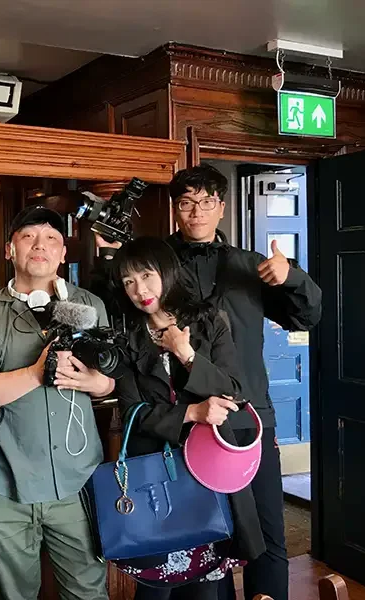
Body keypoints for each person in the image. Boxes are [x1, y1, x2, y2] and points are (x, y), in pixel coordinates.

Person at [95, 165, 322, 600]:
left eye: (206, 201)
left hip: (248, 416)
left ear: (221, 207)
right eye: (186, 202)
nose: (196, 211)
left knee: (264, 534)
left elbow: (307, 316)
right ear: (175, 209)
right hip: (183, 426)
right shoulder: (156, 264)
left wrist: (290, 275)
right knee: (200, 534)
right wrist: (108, 257)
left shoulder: (250, 266)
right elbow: (116, 305)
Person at [0, 204, 112, 600]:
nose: (39, 246)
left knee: (88, 594)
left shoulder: (91, 306)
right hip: (7, 485)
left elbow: (111, 379)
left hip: (77, 483)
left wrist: (97, 382)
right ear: (11, 249)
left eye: (51, 239)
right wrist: (35, 373)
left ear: (64, 253)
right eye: (28, 237)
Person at [111, 236, 265, 600]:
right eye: (129, 281)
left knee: (205, 590)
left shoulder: (209, 322)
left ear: (166, 273)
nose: (140, 290)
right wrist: (192, 412)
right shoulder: (127, 337)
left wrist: (187, 355)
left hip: (206, 474)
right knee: (154, 590)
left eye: (147, 275)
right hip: (154, 480)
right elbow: (133, 410)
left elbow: (237, 390)